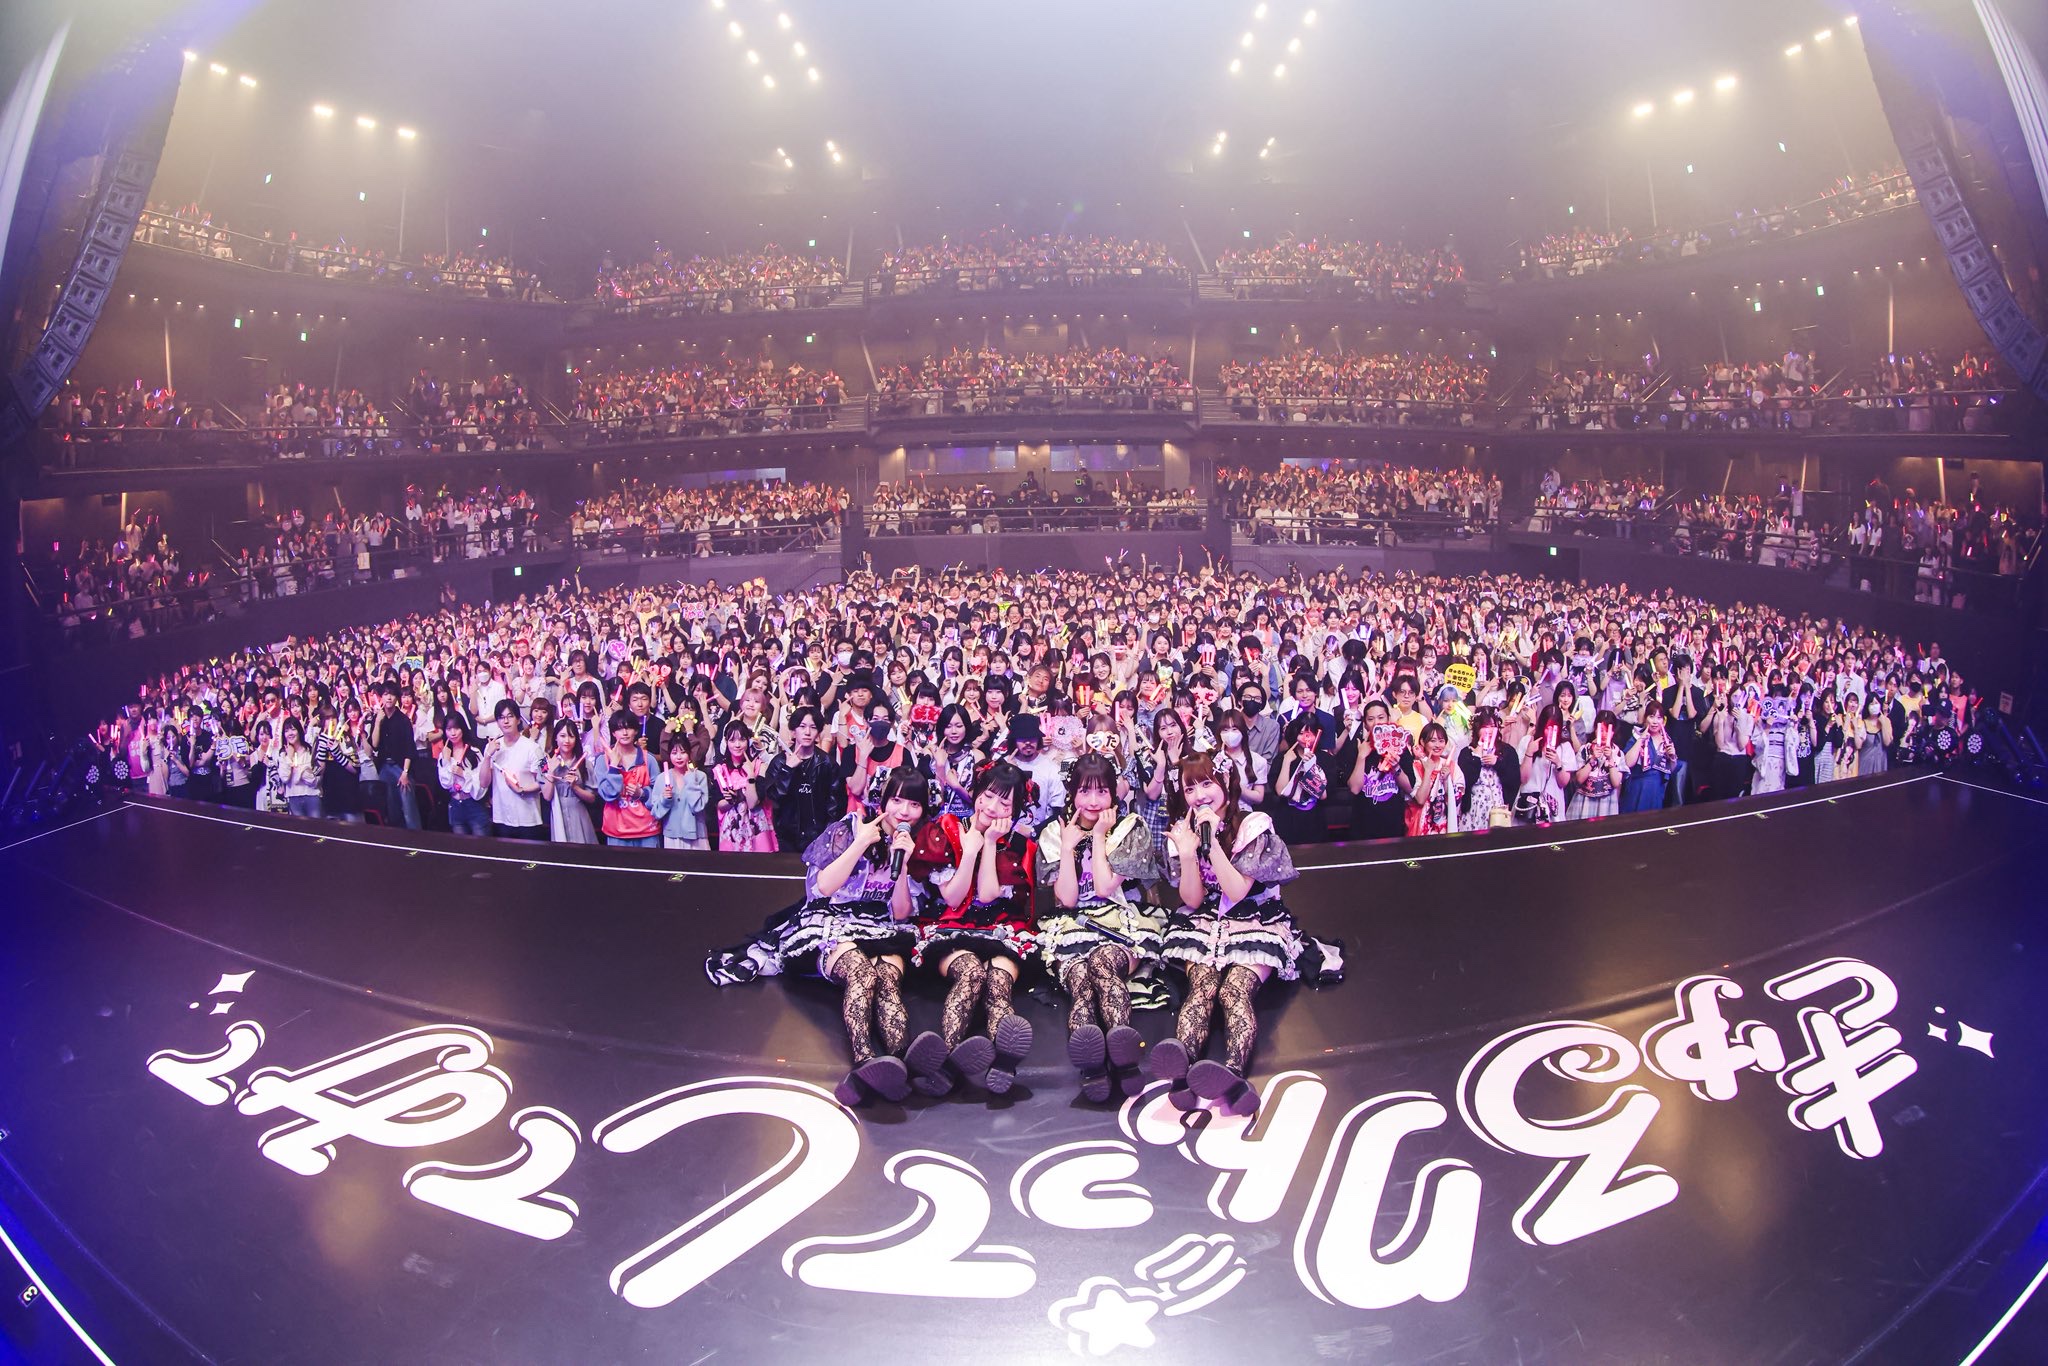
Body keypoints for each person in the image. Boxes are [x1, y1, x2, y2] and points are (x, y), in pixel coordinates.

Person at [1152, 753, 1304, 1118]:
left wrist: (1213, 842)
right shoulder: (1184, 830)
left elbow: (1236, 891)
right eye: (1190, 788)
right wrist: (1188, 855)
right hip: (1207, 919)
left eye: (1207, 784)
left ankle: (1234, 1077)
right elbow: (1192, 899)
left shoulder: (1252, 825)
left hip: (1256, 917)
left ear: (1226, 784)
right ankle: (1182, 1075)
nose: (1200, 795)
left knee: (1234, 990)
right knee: (1202, 987)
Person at [778, 765, 930, 1106]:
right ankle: (864, 1062)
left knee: (887, 978)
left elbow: (902, 912)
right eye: (897, 801)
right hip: (833, 920)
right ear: (883, 801)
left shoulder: (911, 845)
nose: (904, 812)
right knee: (862, 974)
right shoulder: (849, 829)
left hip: (881, 926)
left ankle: (901, 1061)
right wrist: (860, 844)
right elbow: (820, 888)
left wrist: (903, 863)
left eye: (914, 804)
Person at [903, 761, 1040, 1097]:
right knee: (972, 974)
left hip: (1001, 926)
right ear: (977, 792)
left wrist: (990, 842)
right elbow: (952, 898)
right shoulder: (946, 828)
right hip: (952, 926)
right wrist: (970, 851)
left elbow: (989, 894)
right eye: (988, 796)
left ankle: (1002, 1063)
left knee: (999, 982)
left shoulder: (1018, 845)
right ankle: (947, 1056)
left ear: (1015, 811)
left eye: (1004, 803)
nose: (992, 807)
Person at [1039, 753, 1164, 1101]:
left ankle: (1124, 1059)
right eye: (1084, 791)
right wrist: (1068, 848)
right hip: (1074, 922)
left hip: (1119, 920)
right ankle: (1092, 1068)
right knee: (1080, 981)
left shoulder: (1129, 827)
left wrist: (1097, 836)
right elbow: (1067, 899)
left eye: (1101, 792)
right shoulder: (1055, 831)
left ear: (1113, 793)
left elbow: (1105, 888)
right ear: (1072, 793)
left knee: (1101, 964)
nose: (1093, 801)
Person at [758, 705, 841, 855]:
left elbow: (834, 805)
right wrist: (787, 769)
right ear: (793, 731)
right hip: (787, 837)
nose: (807, 732)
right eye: (802, 726)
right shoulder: (779, 762)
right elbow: (773, 797)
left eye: (813, 727)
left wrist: (827, 835)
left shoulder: (827, 763)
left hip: (819, 836)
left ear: (818, 733)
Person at [479, 697, 546, 839]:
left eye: (510, 716)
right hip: (501, 819)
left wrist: (522, 790)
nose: (506, 721)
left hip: (529, 819)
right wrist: (487, 756)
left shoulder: (533, 748)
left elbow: (544, 781)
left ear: (518, 719)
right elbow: (483, 783)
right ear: (497, 722)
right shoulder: (492, 747)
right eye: (501, 718)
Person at [593, 711, 661, 847]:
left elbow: (659, 794)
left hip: (647, 830)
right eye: (619, 729)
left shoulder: (649, 759)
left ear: (636, 730)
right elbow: (607, 794)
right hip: (617, 831)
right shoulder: (603, 760)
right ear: (613, 733)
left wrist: (642, 793)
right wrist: (613, 766)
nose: (624, 733)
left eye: (628, 728)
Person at [712, 721, 776, 852]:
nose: (737, 745)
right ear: (726, 742)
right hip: (732, 830)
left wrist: (751, 775)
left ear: (748, 741)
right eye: (732, 740)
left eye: (742, 739)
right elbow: (719, 805)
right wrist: (732, 800)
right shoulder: (721, 770)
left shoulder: (760, 766)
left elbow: (753, 803)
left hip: (757, 829)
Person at [1456, 707, 1520, 831]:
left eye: (1492, 726)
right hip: (1474, 808)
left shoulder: (1507, 751)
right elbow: (1465, 782)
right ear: (1477, 729)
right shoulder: (1466, 753)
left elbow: (1514, 780)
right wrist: (1476, 757)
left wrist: (1497, 763)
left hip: (1498, 808)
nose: (1489, 731)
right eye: (1485, 727)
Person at [371, 684, 422, 829]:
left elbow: (409, 749)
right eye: (386, 694)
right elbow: (374, 744)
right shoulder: (378, 718)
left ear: (396, 698)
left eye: (392, 694)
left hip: (401, 767)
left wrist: (405, 773)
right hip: (384, 767)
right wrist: (377, 722)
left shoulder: (403, 720)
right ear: (381, 697)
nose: (389, 697)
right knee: (391, 809)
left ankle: (416, 838)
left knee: (408, 809)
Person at [1399, 721, 1462, 836]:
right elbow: (1420, 800)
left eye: (1441, 741)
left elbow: (1457, 800)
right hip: (1420, 827)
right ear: (1423, 742)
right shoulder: (1415, 766)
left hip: (1444, 827)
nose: (1437, 745)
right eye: (1433, 741)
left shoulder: (1452, 766)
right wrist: (1428, 771)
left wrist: (1447, 781)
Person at [542, 719, 599, 844]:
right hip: (557, 814)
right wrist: (551, 772)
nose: (567, 741)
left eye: (571, 736)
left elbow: (592, 798)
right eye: (562, 736)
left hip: (578, 816)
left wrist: (575, 787)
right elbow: (546, 796)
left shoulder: (584, 763)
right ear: (555, 737)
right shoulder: (545, 762)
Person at [650, 737, 711, 850]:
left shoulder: (700, 776)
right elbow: (656, 812)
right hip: (672, 835)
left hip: (697, 834)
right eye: (674, 753)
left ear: (689, 753)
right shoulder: (662, 778)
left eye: (683, 752)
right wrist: (665, 799)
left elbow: (698, 807)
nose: (678, 757)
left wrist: (691, 780)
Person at [1620, 702, 1679, 813]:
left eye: (1659, 718)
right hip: (1638, 786)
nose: (1655, 721)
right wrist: (1641, 740)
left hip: (1657, 788)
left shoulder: (1667, 740)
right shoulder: (1636, 736)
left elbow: (1671, 769)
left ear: (1663, 720)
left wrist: (1672, 757)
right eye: (1651, 716)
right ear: (1645, 718)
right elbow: (1627, 763)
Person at [1568, 711, 1627, 820]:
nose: (1604, 734)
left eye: (1607, 730)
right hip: (1584, 801)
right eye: (1601, 730)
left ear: (1613, 731)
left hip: (1606, 803)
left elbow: (1616, 783)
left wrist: (1610, 759)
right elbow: (1579, 779)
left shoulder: (1618, 753)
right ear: (1595, 729)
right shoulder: (1584, 750)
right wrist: (1592, 759)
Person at [437, 718, 490, 836]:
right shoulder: (444, 755)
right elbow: (445, 784)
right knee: (460, 844)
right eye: (449, 729)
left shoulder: (474, 752)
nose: (453, 733)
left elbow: (481, 784)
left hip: (473, 804)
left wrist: (463, 774)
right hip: (455, 805)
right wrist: (446, 761)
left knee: (481, 844)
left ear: (463, 729)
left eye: (456, 728)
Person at [276, 717, 323, 818]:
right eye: (286, 731)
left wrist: (298, 772)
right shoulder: (283, 754)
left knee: (316, 826)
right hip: (293, 797)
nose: (290, 733)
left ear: (299, 731)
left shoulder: (310, 751)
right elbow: (285, 778)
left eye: (293, 729)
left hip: (312, 795)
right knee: (298, 827)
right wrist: (289, 757)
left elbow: (314, 780)